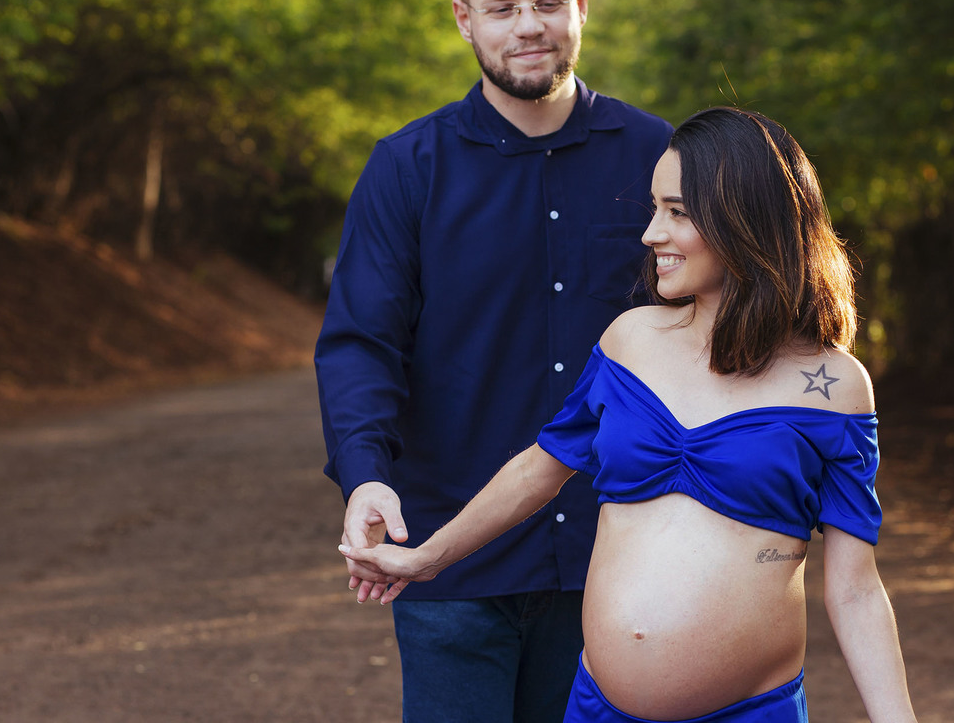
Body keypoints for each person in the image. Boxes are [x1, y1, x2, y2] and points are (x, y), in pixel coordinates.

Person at [342, 107, 919, 723]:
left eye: (677, 212)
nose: (650, 233)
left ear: (747, 220)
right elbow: (541, 467)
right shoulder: (630, 341)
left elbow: (855, 587)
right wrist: (428, 558)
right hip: (598, 709)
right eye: (653, 208)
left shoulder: (833, 386)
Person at [314, 0, 673, 721]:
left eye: (546, 2)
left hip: (618, 554)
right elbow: (361, 344)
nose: (528, 26)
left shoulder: (660, 158)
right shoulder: (407, 167)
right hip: (451, 559)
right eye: (502, 8)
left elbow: (706, 334)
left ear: (580, 4)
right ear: (463, 19)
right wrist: (366, 471)